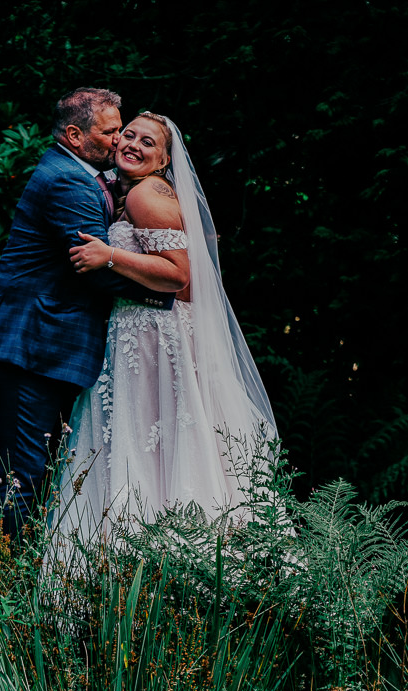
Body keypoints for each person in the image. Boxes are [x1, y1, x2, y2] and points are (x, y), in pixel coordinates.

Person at [49, 112, 277, 554]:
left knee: (147, 440)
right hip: (146, 334)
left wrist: (109, 255)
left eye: (147, 142)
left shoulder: (145, 196)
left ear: (163, 159)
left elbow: (178, 275)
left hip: (152, 338)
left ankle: (146, 560)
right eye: (127, 135)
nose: (132, 144)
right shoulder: (135, 192)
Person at [0, 87, 130, 540]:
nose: (119, 140)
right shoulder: (67, 180)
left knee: (30, 475)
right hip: (28, 346)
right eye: (110, 131)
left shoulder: (84, 174)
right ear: (75, 135)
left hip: (44, 347)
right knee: (18, 478)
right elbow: (95, 271)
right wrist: (169, 289)